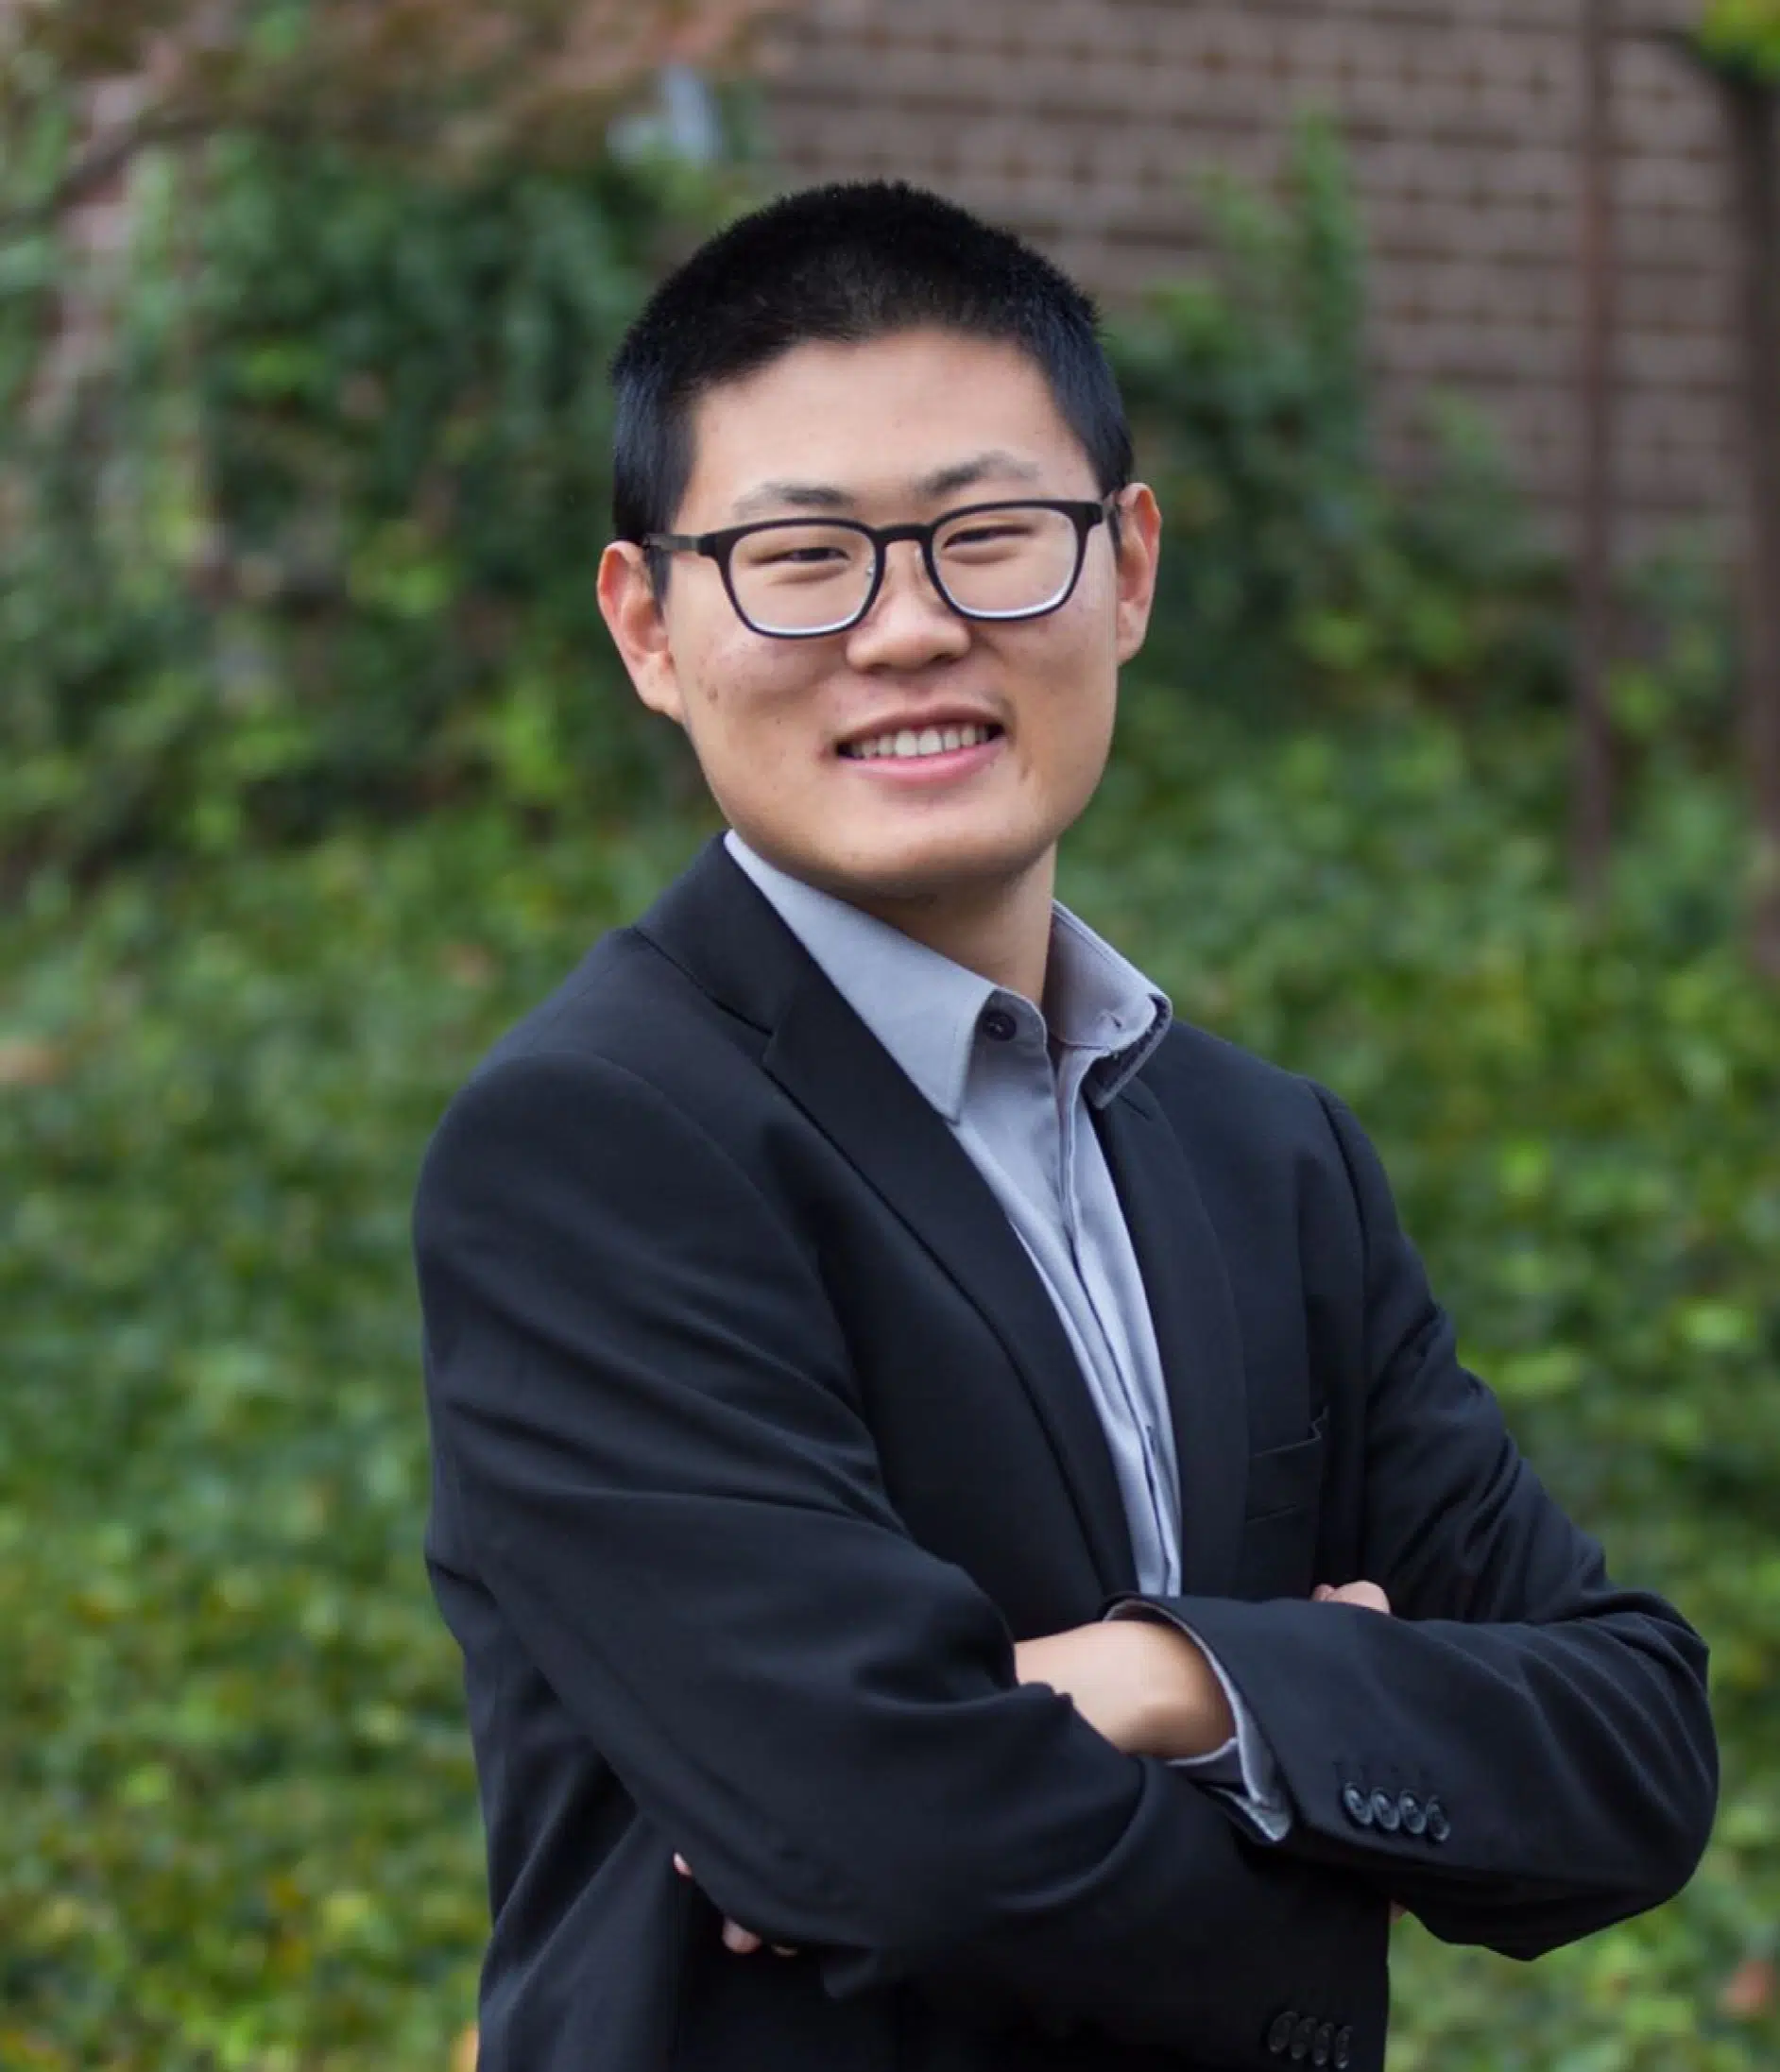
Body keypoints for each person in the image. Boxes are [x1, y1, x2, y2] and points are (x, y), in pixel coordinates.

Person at [412, 181, 1717, 2072]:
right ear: (649, 623)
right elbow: (883, 1835)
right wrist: (1344, 1723)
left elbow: (1632, 1741)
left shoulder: (1268, 1156)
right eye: (801, 559)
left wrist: (1166, 1681)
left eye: (991, 534)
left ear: (1127, 569)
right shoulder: (596, 1150)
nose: (912, 627)